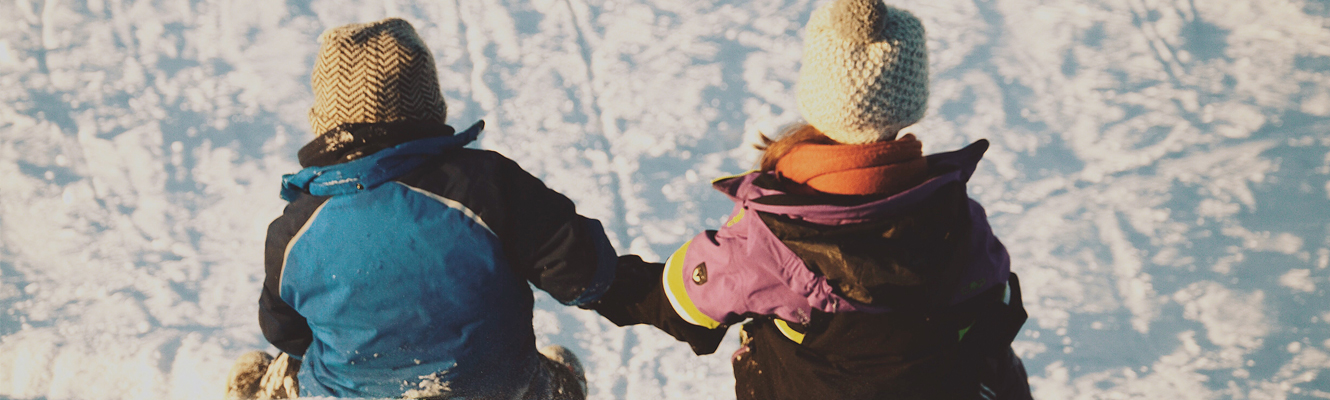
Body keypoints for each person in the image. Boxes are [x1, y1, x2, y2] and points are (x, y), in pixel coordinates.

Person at [587, 0, 1033, 398]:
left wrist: (589, 275)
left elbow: (682, 302)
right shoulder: (961, 221)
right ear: (911, 98)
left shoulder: (770, 242)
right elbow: (995, 315)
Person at [226, 18, 611, 400]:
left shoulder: (296, 229)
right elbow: (580, 270)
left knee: (300, 357)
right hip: (495, 389)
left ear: (325, 122)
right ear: (431, 106)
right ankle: (558, 391)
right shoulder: (487, 186)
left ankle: (273, 391)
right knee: (535, 378)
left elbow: (284, 331)